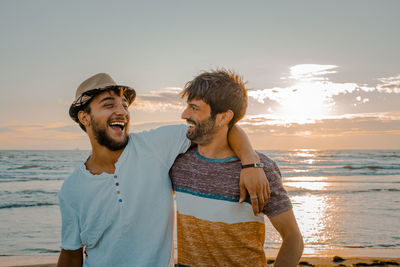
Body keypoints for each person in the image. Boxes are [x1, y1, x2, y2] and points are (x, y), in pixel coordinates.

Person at [57, 73, 270, 267]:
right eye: (108, 105)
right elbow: (70, 254)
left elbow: (220, 126)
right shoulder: (72, 190)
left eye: (124, 105)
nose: (121, 111)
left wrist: (251, 163)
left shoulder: (157, 146)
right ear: (85, 118)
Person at [170, 70, 304, 267]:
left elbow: (293, 239)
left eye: (194, 108)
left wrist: (251, 162)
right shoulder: (177, 161)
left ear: (224, 117)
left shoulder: (261, 170)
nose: (184, 115)